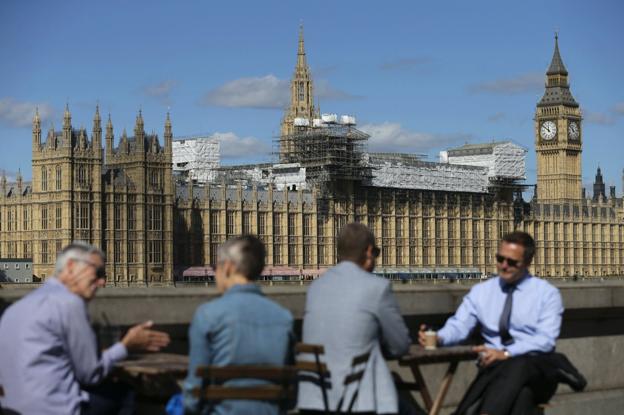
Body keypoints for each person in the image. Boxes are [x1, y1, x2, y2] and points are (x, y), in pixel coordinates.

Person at [0, 241, 171, 415]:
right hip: (52, 409)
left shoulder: (20, 305)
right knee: (125, 393)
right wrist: (126, 346)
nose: (102, 281)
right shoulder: (70, 303)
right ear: (71, 266)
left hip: (11, 407)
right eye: (97, 272)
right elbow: (90, 374)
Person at [419, 231, 565, 414]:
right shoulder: (482, 292)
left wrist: (506, 353)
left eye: (511, 262)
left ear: (527, 263)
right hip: (495, 369)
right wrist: (439, 337)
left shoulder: (546, 294)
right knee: (522, 396)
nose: (503, 265)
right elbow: (459, 325)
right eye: (500, 258)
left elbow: (545, 340)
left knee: (519, 364)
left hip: (537, 368)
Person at [298, 223, 411, 415]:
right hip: (357, 401)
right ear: (368, 252)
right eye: (376, 252)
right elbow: (400, 346)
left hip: (314, 400)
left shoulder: (315, 288)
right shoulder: (377, 287)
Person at [182, 235, 295, 414]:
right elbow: (290, 393)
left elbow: (193, 395)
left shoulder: (208, 315)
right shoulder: (284, 318)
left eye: (215, 266)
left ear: (228, 267)